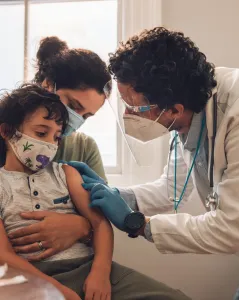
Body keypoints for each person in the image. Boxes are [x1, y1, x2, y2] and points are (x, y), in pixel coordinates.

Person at [69, 27, 239, 300]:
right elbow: (171, 189)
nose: (128, 115)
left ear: (174, 108)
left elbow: (228, 231)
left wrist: (139, 224)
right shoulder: (187, 114)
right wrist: (119, 196)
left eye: (134, 108)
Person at [7, 36, 191, 300]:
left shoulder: (82, 150)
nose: (75, 121)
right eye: (73, 106)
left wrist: (78, 227)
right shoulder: (10, 140)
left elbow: (101, 218)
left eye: (87, 116)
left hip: (83, 265)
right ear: (48, 85)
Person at [0, 84, 113, 300]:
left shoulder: (66, 173)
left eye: (57, 137)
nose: (50, 144)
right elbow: (2, 255)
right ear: (7, 132)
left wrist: (101, 272)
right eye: (41, 133)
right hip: (27, 276)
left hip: (85, 266)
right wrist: (54, 287)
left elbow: (100, 223)